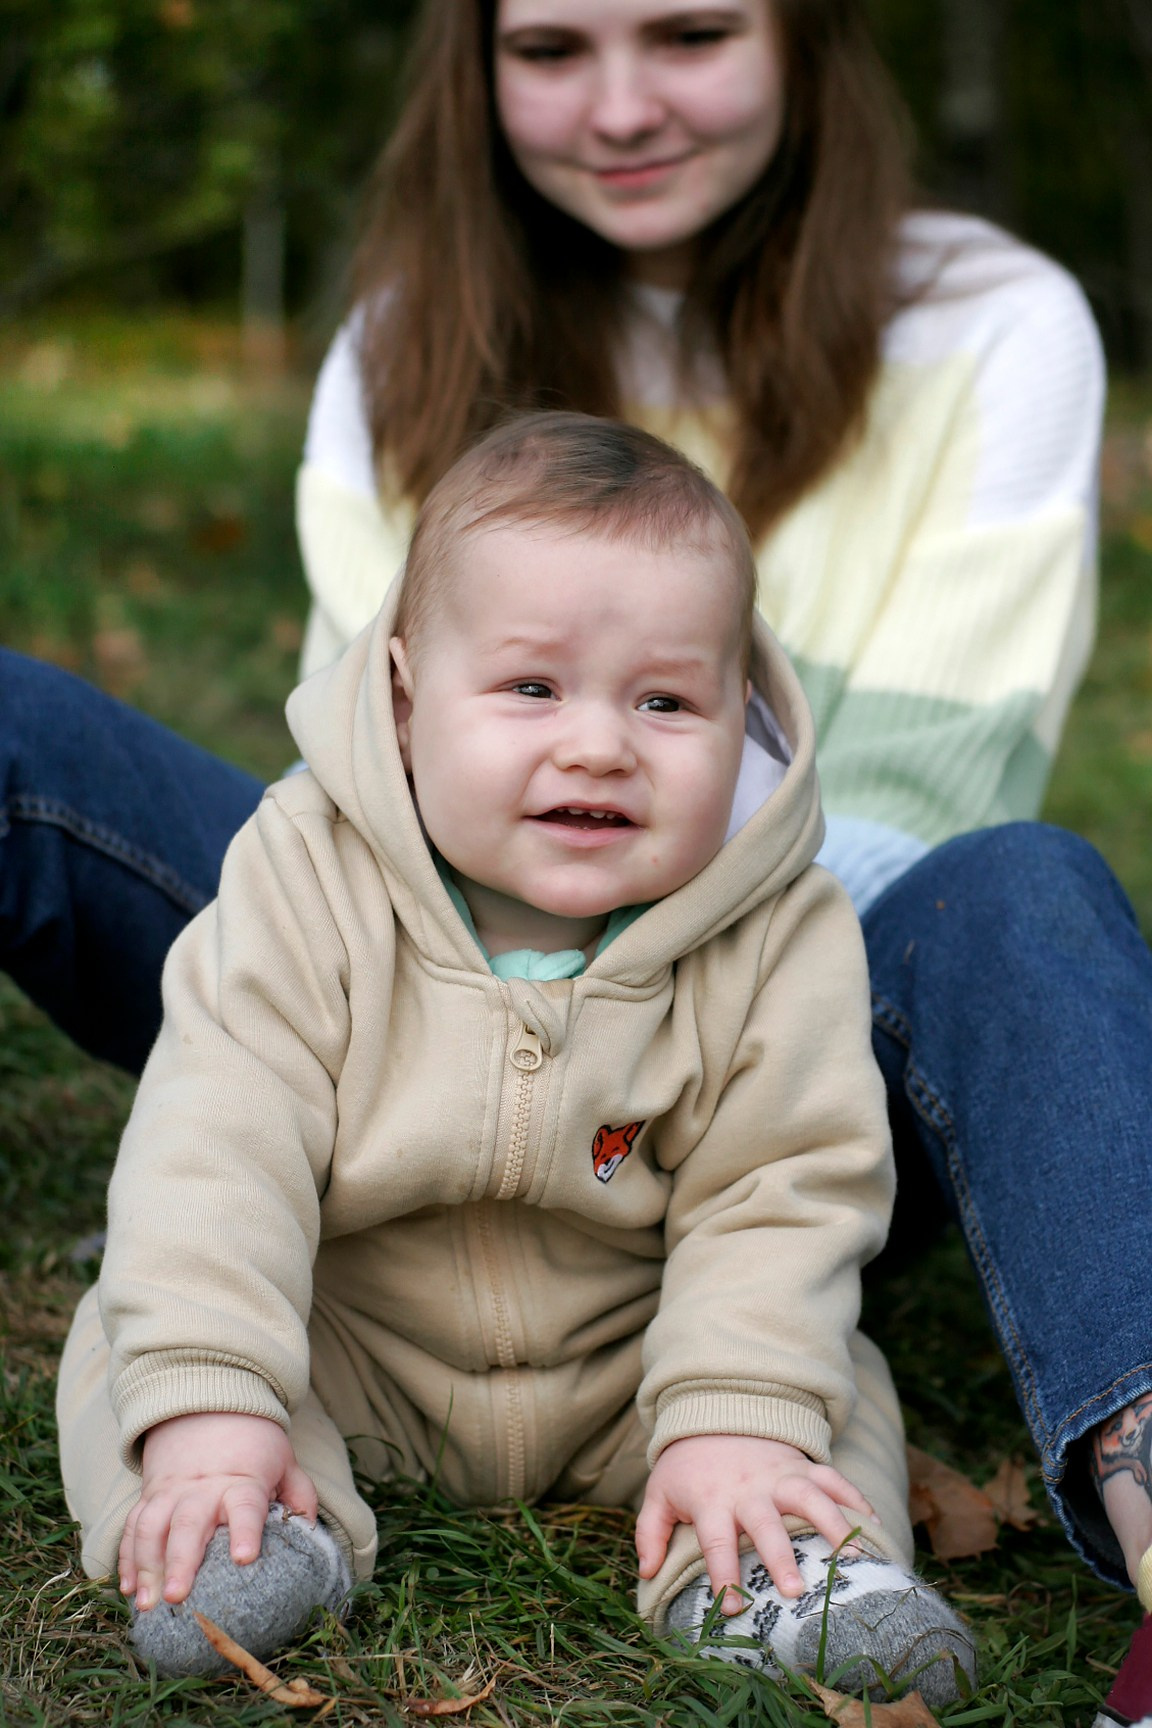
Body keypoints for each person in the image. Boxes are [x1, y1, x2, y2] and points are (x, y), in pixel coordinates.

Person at [3, 0, 1150, 1714]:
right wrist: (446, 946)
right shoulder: (405, 333)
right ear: (474, 66)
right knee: (174, 1300)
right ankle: (248, 1513)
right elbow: (381, 754)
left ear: (805, 40)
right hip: (402, 1009)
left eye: (687, 32)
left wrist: (687, 926)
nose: (620, 107)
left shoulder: (1001, 327)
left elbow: (907, 821)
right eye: (550, 48)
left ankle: (843, 1543)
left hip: (769, 984)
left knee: (833, 1328)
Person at [55, 413, 976, 1702]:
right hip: (354, 1340)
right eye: (533, 688)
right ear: (403, 698)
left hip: (639, 1362)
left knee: (824, 1384)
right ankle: (244, 1521)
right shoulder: (304, 875)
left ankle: (766, 1560)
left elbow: (784, 1189)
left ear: (747, 715)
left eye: (666, 701)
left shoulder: (778, 928)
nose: (599, 744)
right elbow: (219, 1140)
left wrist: (735, 1415)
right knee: (138, 1350)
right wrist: (218, 1400)